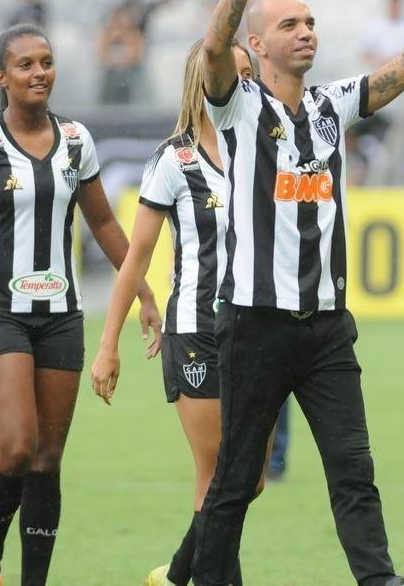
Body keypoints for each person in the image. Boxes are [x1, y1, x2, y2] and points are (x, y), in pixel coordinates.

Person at [189, 0, 404, 586]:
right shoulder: (238, 104)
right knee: (234, 481)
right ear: (258, 44)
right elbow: (214, 48)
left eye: (310, 22)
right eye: (290, 25)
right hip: (254, 322)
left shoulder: (331, 104)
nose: (307, 31)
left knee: (354, 470)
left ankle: (381, 581)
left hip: (327, 328)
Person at [0, 23, 161, 586]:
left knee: (48, 458)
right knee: (15, 447)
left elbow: (104, 223)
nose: (39, 73)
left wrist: (145, 292)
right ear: (1, 77)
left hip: (60, 316)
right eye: (25, 65)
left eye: (46, 62)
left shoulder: (76, 139)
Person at [89, 43, 261, 586]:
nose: (244, 85)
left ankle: (176, 575)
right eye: (234, 74)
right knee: (218, 477)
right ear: (203, 81)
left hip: (260, 333)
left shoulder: (266, 150)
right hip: (197, 332)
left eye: (251, 76)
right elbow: (136, 257)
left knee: (250, 480)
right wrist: (108, 344)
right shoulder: (174, 159)